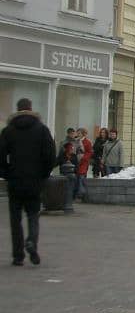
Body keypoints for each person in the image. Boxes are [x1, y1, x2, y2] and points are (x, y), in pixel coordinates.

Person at [0, 98, 56, 266]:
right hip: (34, 181)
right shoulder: (42, 129)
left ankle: (18, 255)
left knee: (15, 219)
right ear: (31, 108)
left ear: (17, 110)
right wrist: (43, 174)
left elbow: (0, 156)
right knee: (33, 215)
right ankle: (31, 241)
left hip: (15, 181)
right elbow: (50, 155)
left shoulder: (8, 131)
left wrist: (7, 173)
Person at [56, 142, 78, 213]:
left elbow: (76, 165)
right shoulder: (62, 156)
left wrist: (75, 171)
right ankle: (64, 203)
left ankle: (69, 203)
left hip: (72, 176)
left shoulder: (74, 156)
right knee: (64, 189)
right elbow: (56, 162)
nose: (72, 150)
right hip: (63, 175)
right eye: (70, 148)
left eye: (72, 148)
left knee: (71, 189)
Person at [75, 127, 93, 200]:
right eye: (77, 133)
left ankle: (82, 194)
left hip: (83, 162)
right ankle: (78, 193)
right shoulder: (76, 141)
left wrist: (84, 158)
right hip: (76, 162)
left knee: (81, 177)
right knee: (77, 178)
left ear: (83, 134)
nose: (78, 134)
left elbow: (90, 152)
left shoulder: (87, 142)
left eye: (79, 133)